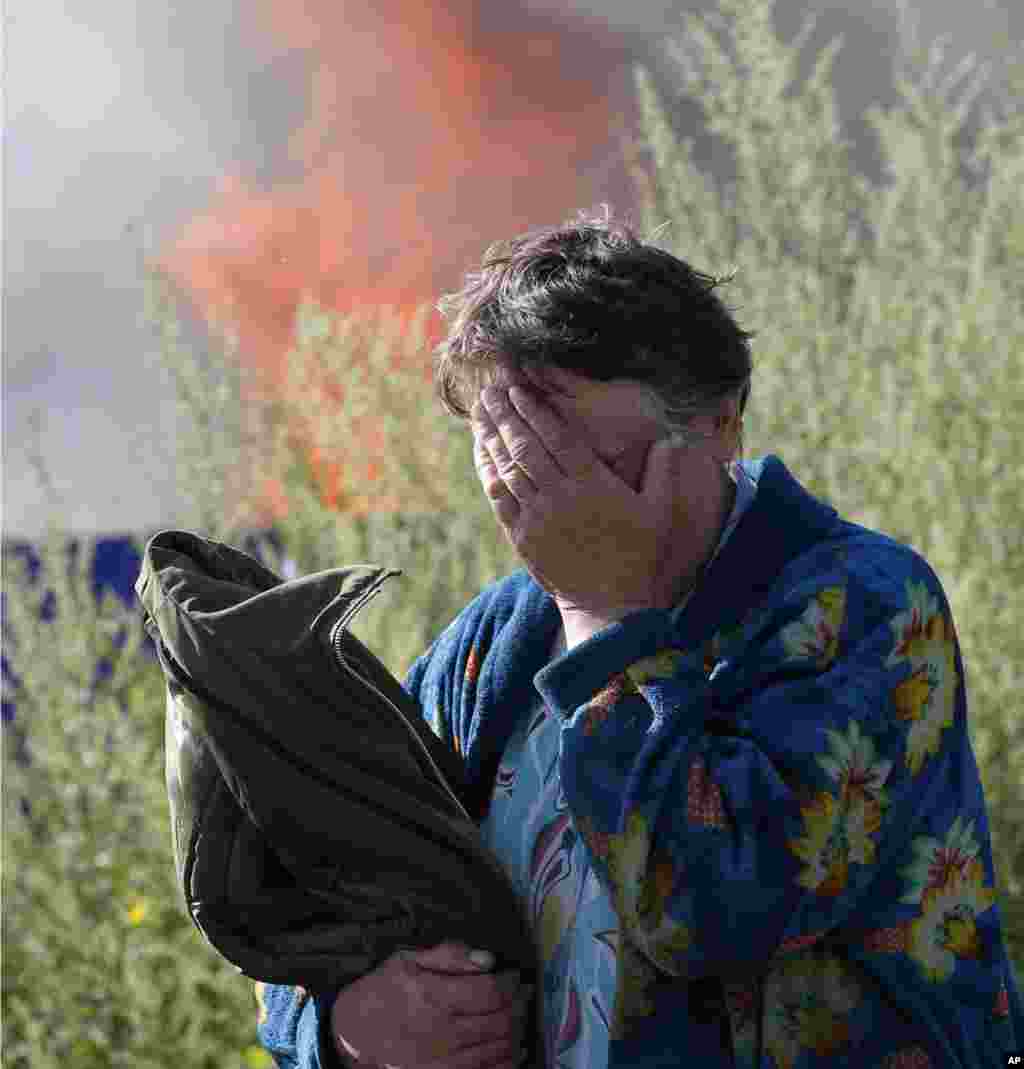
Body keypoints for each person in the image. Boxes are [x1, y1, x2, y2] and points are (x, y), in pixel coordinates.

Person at [254, 208, 1023, 1068]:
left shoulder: (863, 603)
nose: (556, 507)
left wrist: (606, 623)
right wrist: (347, 1021)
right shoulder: (492, 644)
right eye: (517, 466)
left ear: (723, 421)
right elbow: (326, 883)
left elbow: (715, 908)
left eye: (588, 461)